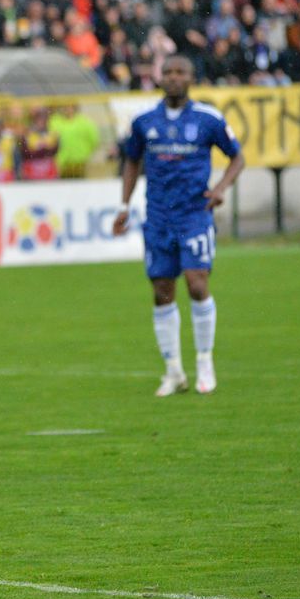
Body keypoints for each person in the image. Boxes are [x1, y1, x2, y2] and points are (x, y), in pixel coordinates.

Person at [111, 55, 246, 397]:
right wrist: (124, 205)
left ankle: (204, 362)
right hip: (157, 216)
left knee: (197, 284)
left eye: (180, 72)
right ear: (159, 78)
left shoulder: (208, 119)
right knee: (161, 291)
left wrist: (220, 189)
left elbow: (238, 157)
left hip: (194, 213)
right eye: (167, 72)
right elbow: (131, 160)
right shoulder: (144, 122)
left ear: (191, 78)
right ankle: (173, 371)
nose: (173, 77)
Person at [18, 107, 60, 181]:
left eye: (43, 120)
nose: (41, 122)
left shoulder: (52, 134)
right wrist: (42, 150)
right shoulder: (28, 134)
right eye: (39, 119)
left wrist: (41, 150)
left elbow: (55, 150)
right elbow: (24, 152)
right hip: (32, 169)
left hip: (48, 170)